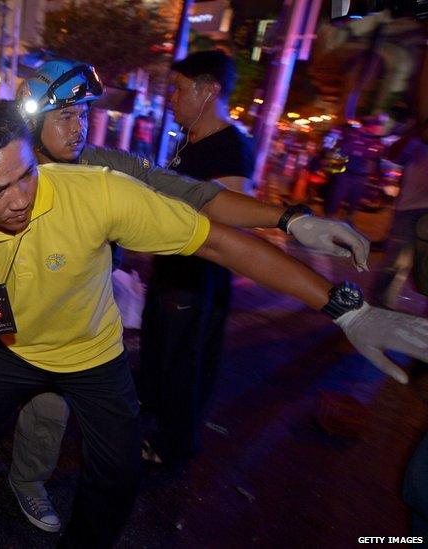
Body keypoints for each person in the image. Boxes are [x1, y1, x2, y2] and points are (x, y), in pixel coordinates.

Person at [0, 99, 427, 546]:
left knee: (117, 476)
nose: (20, 198)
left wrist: (346, 306)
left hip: (94, 358)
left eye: (27, 175)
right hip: (13, 353)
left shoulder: (98, 193)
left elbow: (217, 241)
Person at [137, 50, 259, 465]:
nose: (172, 97)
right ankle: (151, 418)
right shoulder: (189, 140)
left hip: (197, 276)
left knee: (183, 363)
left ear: (209, 91)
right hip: (172, 269)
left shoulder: (231, 147)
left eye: (180, 88)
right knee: (159, 350)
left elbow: (229, 216)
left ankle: (176, 445)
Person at [373, 118, 428, 308]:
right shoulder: (416, 141)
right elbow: (392, 155)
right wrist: (415, 131)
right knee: (395, 262)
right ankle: (379, 307)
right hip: (410, 210)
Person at [323, 115, 386, 219]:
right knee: (335, 200)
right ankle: (329, 220)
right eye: (377, 126)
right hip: (345, 174)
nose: (379, 129)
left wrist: (381, 180)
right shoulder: (352, 136)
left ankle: (347, 222)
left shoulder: (377, 142)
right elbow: (338, 149)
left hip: (361, 177)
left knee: (353, 203)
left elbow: (378, 161)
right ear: (370, 126)